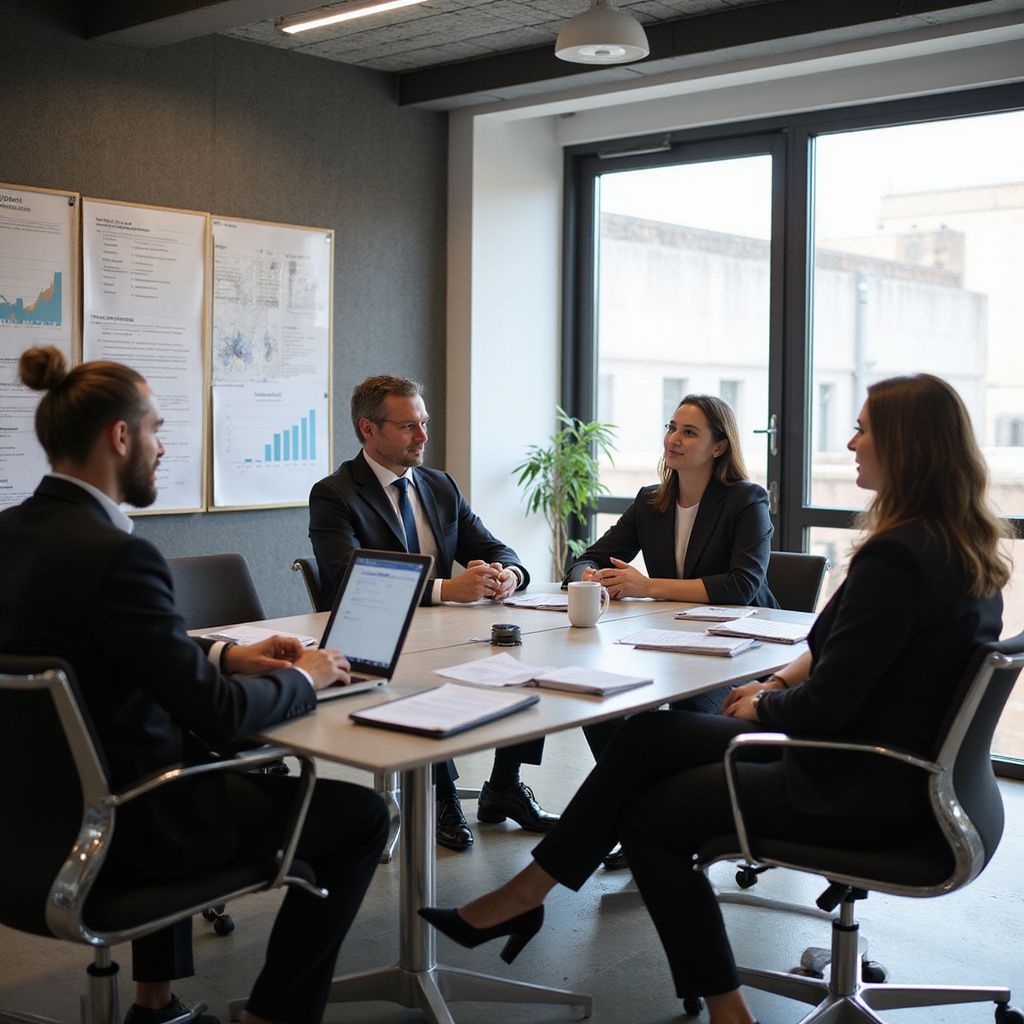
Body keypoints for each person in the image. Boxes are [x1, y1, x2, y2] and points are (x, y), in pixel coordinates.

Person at [420, 373, 1009, 1024]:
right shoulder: (950, 545)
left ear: (907, 446)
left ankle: (709, 1001)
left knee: (647, 815)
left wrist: (762, 706)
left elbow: (826, 709)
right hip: (908, 773)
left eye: (864, 429)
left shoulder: (896, 557)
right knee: (645, 735)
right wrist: (778, 680)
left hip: (860, 780)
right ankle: (526, 895)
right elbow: (831, 644)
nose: (850, 443)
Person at [0, 347, 389, 1024]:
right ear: (119, 438)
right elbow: (219, 717)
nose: (161, 446)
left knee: (178, 749)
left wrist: (225, 655)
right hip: (133, 825)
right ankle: (273, 1015)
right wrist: (304, 676)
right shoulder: (120, 556)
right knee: (360, 819)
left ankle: (158, 1001)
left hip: (22, 822)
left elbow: (101, 650)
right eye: (155, 429)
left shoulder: (11, 535)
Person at [308, 374, 556, 852]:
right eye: (408, 427)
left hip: (447, 632)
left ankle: (503, 785)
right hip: (376, 639)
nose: (423, 436)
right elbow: (346, 577)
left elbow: (496, 546)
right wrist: (447, 588)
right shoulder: (335, 493)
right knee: (427, 682)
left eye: (424, 423)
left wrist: (510, 574)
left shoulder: (439, 486)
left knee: (525, 662)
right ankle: (442, 796)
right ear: (369, 429)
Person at [565, 395, 777, 868]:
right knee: (594, 702)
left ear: (719, 446)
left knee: (681, 717)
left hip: (737, 646)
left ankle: (652, 828)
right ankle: (641, 822)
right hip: (668, 641)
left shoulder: (747, 499)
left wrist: (646, 586)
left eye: (689, 432)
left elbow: (743, 586)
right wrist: (590, 580)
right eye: (671, 427)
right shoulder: (651, 501)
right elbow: (589, 556)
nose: (673, 440)